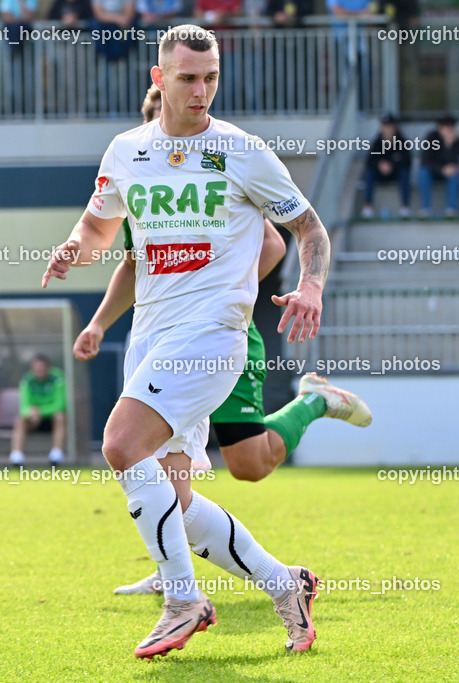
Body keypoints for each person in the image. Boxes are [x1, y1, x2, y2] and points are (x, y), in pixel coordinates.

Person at [41, 24, 351, 657]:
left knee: (122, 446)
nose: (201, 90)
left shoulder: (243, 151)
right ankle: (283, 583)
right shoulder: (126, 151)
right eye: (188, 78)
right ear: (159, 79)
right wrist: (78, 246)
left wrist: (312, 285)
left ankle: (183, 599)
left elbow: (309, 230)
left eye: (210, 79)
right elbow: (102, 230)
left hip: (212, 337)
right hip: (151, 337)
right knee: (175, 500)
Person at [74, 84, 372, 597]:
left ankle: (314, 401)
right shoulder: (140, 175)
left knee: (247, 464)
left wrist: (221, 291)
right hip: (165, 336)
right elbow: (130, 262)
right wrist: (99, 323)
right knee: (164, 474)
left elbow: (281, 238)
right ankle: (187, 579)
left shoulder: (226, 161)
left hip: (217, 335)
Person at [9, 354, 67, 466]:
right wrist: (30, 412)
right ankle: (17, 457)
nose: (40, 371)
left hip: (51, 419)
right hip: (34, 421)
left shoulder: (57, 378)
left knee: (60, 416)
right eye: (37, 369)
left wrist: (39, 411)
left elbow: (60, 405)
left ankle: (56, 456)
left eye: (42, 369)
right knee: (20, 420)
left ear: (48, 368)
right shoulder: (27, 380)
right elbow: (24, 407)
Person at [361, 112, 412, 218]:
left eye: (389, 126)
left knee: (404, 173)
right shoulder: (377, 143)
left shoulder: (402, 142)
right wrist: (380, 165)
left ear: (394, 127)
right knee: (369, 174)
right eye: (384, 126)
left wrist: (392, 165)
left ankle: (405, 207)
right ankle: (368, 206)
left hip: (396, 174)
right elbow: (369, 161)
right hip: (380, 174)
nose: (387, 129)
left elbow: (407, 161)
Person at [418, 114, 459, 218]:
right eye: (446, 127)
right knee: (423, 173)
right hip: (433, 171)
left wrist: (449, 146)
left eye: (451, 127)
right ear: (440, 128)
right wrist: (441, 169)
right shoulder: (431, 137)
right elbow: (425, 161)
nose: (449, 130)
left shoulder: (458, 141)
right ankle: (425, 208)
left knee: (455, 174)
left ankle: (451, 209)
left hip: (449, 174)